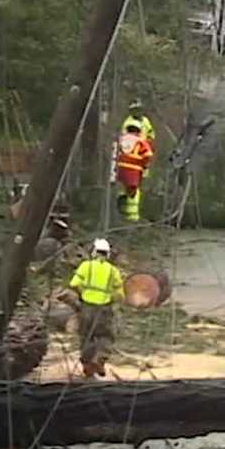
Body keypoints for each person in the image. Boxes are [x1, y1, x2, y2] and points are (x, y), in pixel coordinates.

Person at [68, 239, 125, 378]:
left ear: (93, 252)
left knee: (86, 336)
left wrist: (82, 293)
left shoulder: (86, 266)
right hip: (104, 309)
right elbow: (120, 294)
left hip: (86, 307)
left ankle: (87, 365)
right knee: (106, 336)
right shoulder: (113, 271)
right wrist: (113, 299)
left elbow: (74, 283)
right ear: (108, 254)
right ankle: (99, 358)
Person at [115, 123, 154, 223]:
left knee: (121, 192)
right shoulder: (140, 141)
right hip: (134, 170)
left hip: (120, 169)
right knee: (133, 193)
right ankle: (132, 217)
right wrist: (144, 165)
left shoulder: (121, 139)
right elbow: (148, 154)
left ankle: (120, 214)